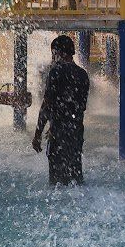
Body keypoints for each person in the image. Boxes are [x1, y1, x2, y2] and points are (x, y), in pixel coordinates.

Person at [32, 34, 90, 185]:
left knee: (56, 180)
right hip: (76, 132)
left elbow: (47, 104)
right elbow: (81, 107)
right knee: (75, 174)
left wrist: (38, 134)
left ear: (59, 53)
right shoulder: (83, 74)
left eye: (53, 53)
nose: (52, 57)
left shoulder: (56, 71)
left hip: (58, 133)